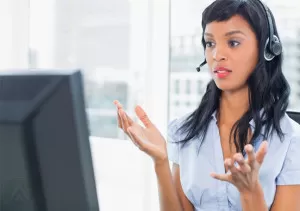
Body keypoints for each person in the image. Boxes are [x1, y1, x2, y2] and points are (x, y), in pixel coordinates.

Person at [114, 0, 300, 210]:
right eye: (210, 43)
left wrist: (251, 194)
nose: (216, 55)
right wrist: (161, 161)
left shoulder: (290, 140)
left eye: (233, 43)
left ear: (266, 49)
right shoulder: (186, 131)